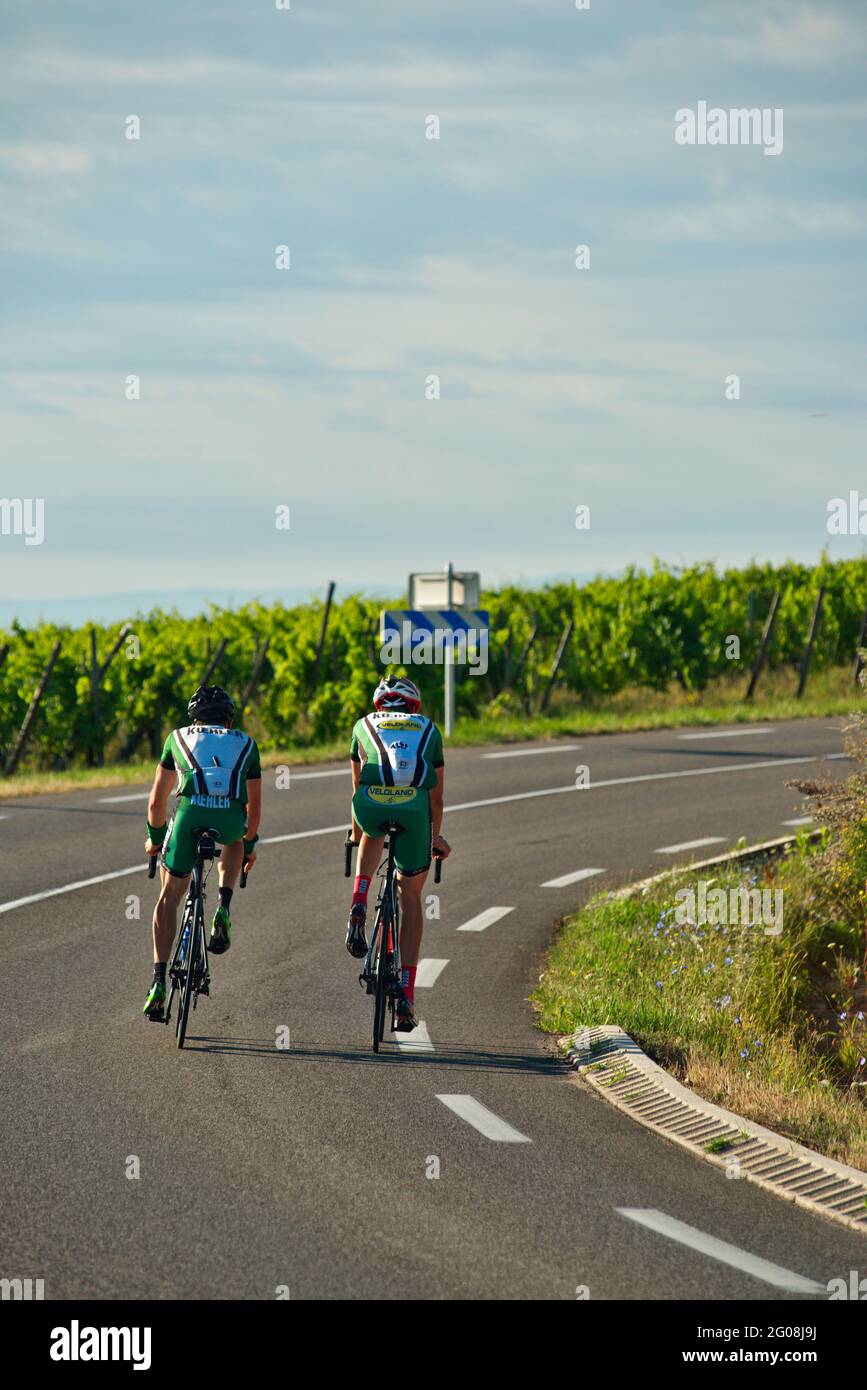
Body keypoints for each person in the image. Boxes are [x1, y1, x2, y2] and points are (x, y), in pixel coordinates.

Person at [142, 684, 261, 1020]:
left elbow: (156, 802)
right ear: (229, 718)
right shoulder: (247, 744)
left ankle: (158, 983)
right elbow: (253, 815)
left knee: (168, 898)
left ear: (193, 716)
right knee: (236, 840)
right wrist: (249, 846)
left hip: (190, 814)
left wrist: (155, 838)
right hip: (228, 819)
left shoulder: (176, 738)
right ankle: (223, 906)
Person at [346, 675, 451, 1032]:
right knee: (411, 898)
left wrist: (355, 831)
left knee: (371, 829)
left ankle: (358, 898)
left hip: (371, 805)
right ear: (414, 706)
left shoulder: (363, 725)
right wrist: (435, 838)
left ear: (380, 705)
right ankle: (405, 997)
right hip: (414, 810)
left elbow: (358, 785)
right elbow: (436, 798)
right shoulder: (429, 729)